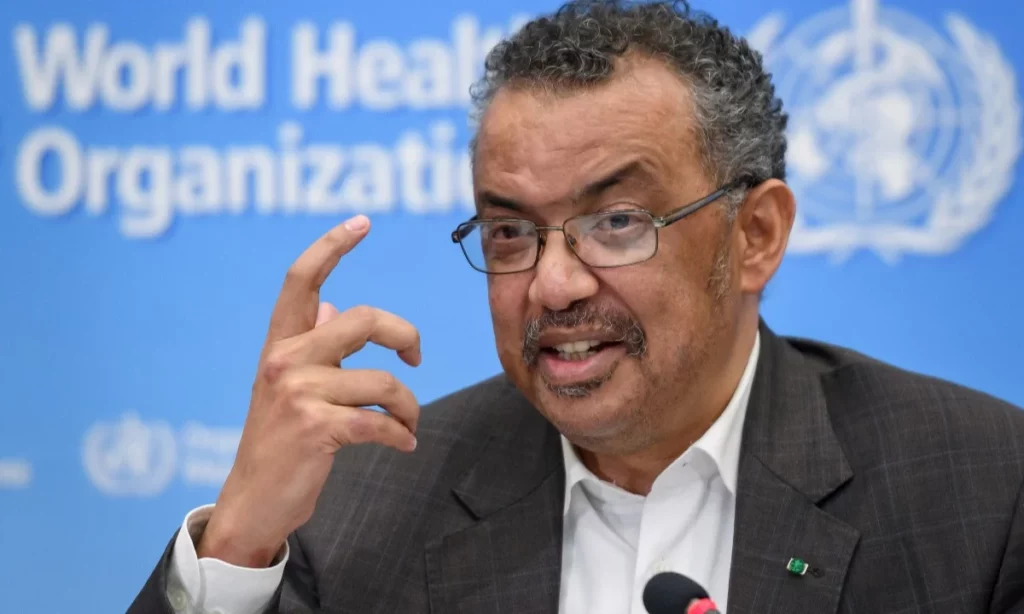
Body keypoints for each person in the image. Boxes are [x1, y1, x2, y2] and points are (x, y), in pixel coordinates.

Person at [127, 1, 1024, 612]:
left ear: (755, 235)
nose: (554, 286)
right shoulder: (361, 508)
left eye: (618, 222)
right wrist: (240, 543)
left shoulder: (983, 492)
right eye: (510, 232)